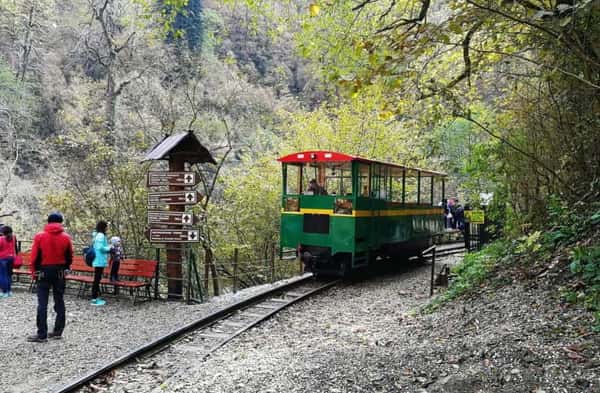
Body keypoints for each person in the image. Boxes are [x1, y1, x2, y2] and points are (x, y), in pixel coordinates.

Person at [27, 212, 73, 342]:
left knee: (42, 304)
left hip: (43, 272)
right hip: (59, 273)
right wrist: (65, 268)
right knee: (59, 301)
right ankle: (58, 331)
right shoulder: (66, 237)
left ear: (48, 221)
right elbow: (69, 257)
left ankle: (42, 334)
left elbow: (34, 258)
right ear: (61, 222)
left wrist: (34, 274)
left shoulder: (40, 236)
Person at [91, 220, 111, 306]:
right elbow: (100, 247)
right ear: (103, 227)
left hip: (98, 260)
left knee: (97, 278)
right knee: (97, 279)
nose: (107, 228)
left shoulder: (97, 235)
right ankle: (94, 298)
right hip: (99, 260)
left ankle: (95, 297)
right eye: (106, 226)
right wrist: (109, 247)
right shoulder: (101, 235)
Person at [0, 225, 17, 298]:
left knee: (3, 275)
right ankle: (9, 291)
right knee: (9, 275)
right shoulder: (13, 238)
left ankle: (4, 292)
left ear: (3, 232)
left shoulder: (1, 239)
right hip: (11, 258)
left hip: (2, 258)